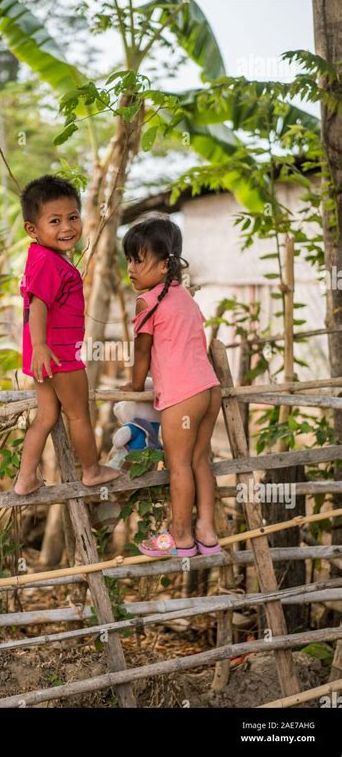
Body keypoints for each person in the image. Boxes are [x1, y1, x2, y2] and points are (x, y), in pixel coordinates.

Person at [121, 215, 222, 557]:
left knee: (178, 466)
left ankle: (180, 536)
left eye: (138, 259)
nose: (131, 268)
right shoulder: (185, 299)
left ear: (165, 265)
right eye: (129, 260)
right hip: (210, 390)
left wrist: (135, 385)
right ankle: (206, 532)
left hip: (182, 396)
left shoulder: (148, 303)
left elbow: (143, 351)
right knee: (200, 462)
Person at [14, 174, 122, 495]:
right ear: (32, 229)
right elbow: (38, 306)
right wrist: (42, 345)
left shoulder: (42, 258)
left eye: (73, 217)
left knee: (46, 416)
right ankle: (91, 470)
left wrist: (38, 350)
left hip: (44, 356)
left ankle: (25, 479)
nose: (67, 227)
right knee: (79, 416)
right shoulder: (50, 263)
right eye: (55, 221)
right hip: (58, 354)